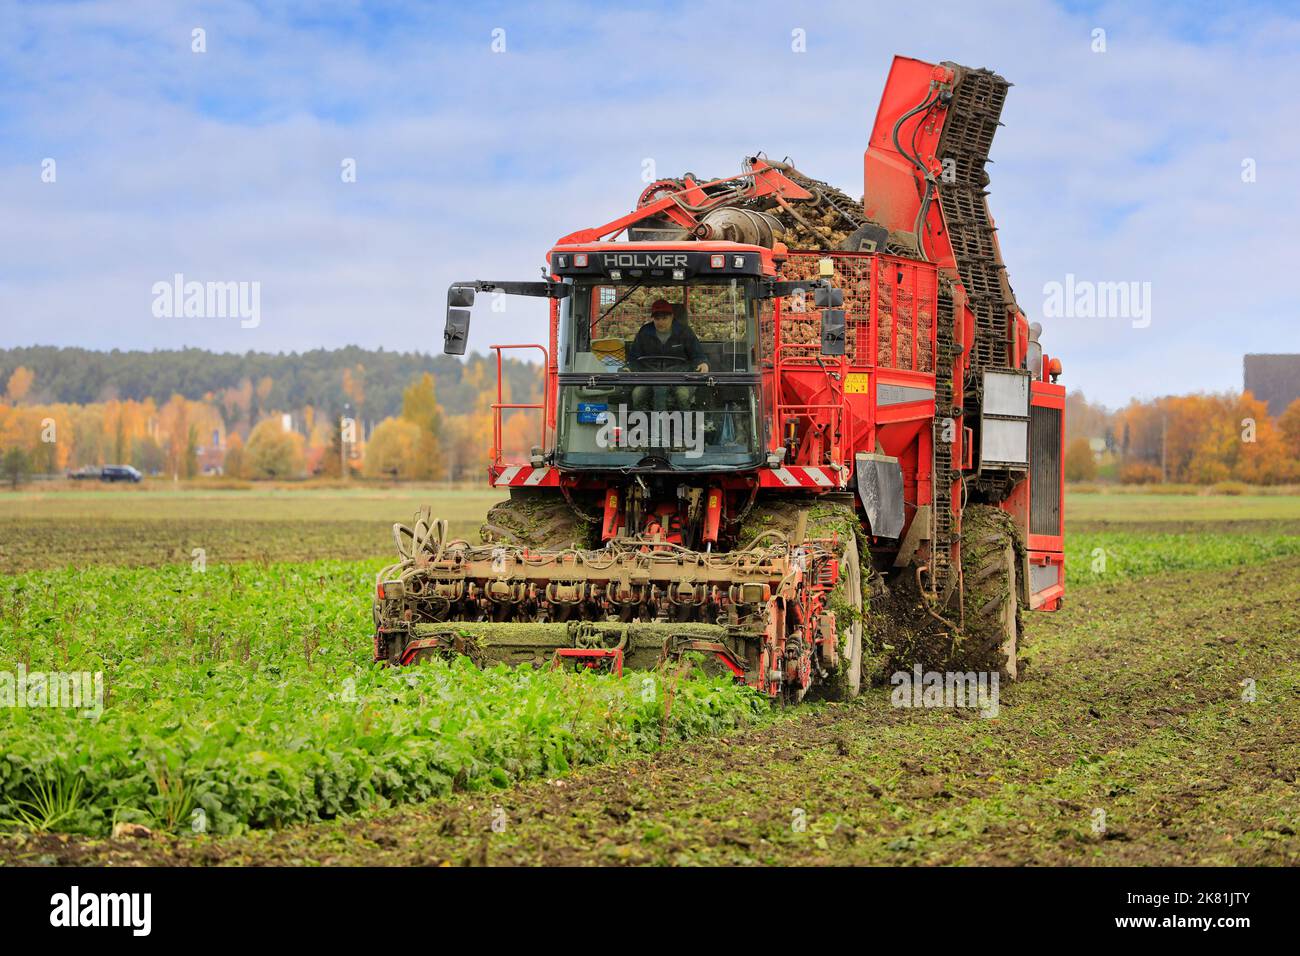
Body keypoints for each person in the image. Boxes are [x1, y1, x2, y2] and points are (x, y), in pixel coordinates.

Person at [627, 299, 708, 411]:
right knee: (637, 394)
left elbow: (697, 354)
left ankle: (685, 425)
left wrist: (702, 363)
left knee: (682, 395)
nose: (660, 322)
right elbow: (633, 357)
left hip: (679, 377)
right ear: (653, 319)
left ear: (672, 317)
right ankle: (645, 424)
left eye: (664, 318)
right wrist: (628, 368)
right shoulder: (645, 332)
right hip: (650, 376)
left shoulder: (684, 332)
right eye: (657, 319)